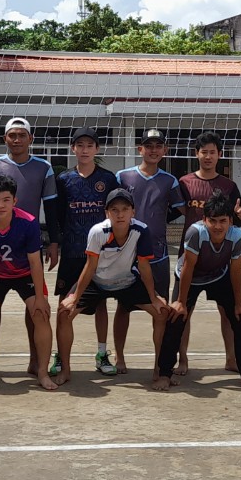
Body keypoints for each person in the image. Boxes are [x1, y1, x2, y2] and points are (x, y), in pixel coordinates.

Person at [0, 117, 61, 376]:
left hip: (28, 244)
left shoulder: (44, 167)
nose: (17, 139)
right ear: (5, 139)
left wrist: (54, 242)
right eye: (12, 135)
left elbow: (51, 207)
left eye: (22, 135)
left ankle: (36, 363)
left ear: (30, 139)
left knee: (36, 309)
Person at [54, 189, 168, 386]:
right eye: (114, 210)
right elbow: (90, 267)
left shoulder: (141, 230)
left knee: (162, 312)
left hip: (128, 281)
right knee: (64, 313)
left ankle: (160, 368)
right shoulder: (98, 232)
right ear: (107, 213)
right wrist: (74, 297)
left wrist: (154, 297)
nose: (120, 214)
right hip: (97, 281)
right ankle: (65, 369)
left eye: (125, 209)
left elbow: (144, 266)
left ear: (133, 211)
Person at [154, 191, 241, 391]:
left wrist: (239, 302)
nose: (218, 226)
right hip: (190, 277)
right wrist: (181, 302)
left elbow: (236, 270)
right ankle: (165, 374)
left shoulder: (237, 236)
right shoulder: (196, 233)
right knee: (176, 318)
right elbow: (188, 268)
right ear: (204, 220)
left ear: (231, 221)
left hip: (218, 275)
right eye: (212, 221)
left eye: (223, 221)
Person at [0, 176, 56, 390]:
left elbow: (35, 263)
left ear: (14, 201)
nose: (0, 205)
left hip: (24, 273)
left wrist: (41, 298)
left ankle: (42, 372)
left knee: (41, 314)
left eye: (6, 200)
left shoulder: (28, 222)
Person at [114, 128, 184, 375]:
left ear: (165, 150)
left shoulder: (169, 181)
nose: (153, 150)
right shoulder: (123, 177)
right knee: (124, 307)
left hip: (157, 254)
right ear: (140, 149)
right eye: (149, 145)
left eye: (158, 146)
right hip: (127, 255)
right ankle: (119, 357)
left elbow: (183, 210)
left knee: (160, 309)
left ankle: (159, 364)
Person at [50, 127, 120, 377]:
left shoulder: (108, 179)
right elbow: (57, 215)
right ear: (73, 149)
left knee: (100, 303)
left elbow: (115, 213)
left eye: (90, 145)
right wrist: (57, 243)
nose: (85, 150)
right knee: (64, 304)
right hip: (72, 251)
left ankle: (102, 353)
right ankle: (61, 356)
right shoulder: (64, 179)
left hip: (100, 254)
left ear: (97, 149)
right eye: (80, 145)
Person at [177, 131, 241, 375]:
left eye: (212, 152)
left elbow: (238, 220)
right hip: (190, 258)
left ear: (220, 155)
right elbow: (172, 211)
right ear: (196, 154)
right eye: (203, 152)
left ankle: (231, 358)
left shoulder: (229, 186)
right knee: (182, 311)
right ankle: (182, 360)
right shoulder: (184, 183)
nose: (208, 156)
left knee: (227, 312)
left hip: (221, 261)